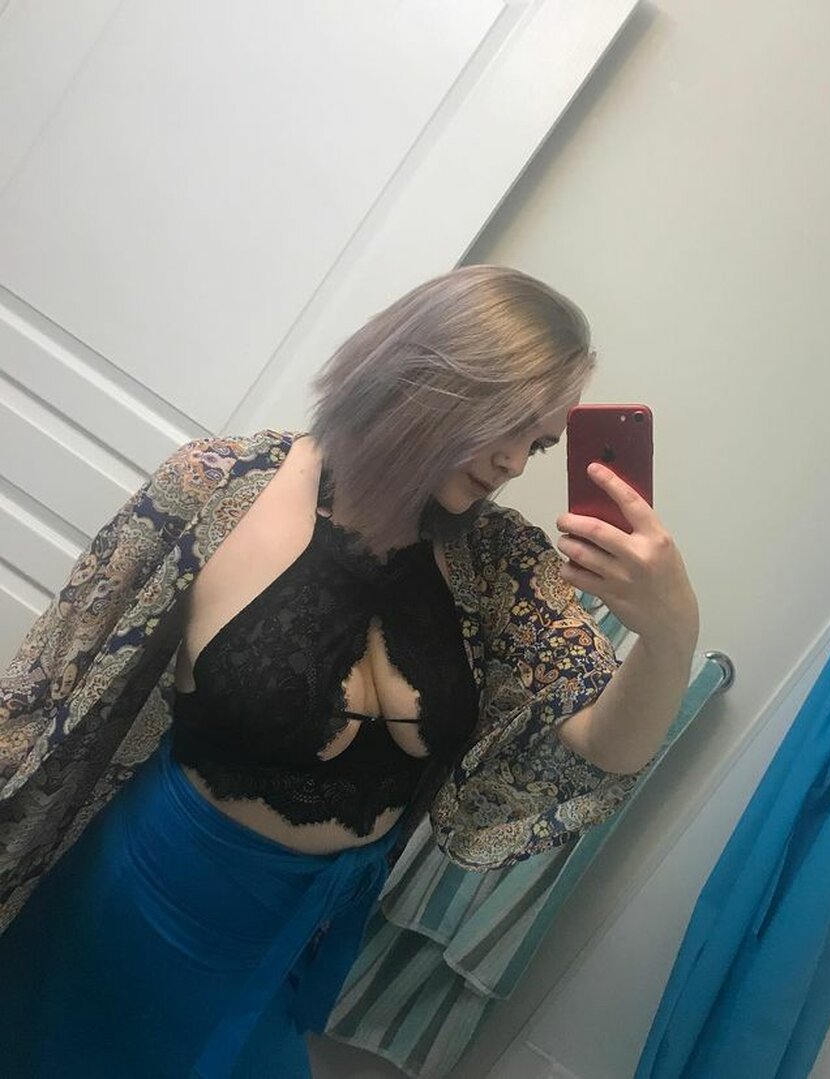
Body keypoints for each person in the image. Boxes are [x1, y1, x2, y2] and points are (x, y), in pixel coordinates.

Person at [0, 265, 699, 1076]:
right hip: (146, 899)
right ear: (426, 372)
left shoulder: (497, 561)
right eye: (509, 421)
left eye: (537, 443)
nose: (515, 460)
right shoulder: (220, 484)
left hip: (300, 938)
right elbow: (49, 683)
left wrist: (670, 633)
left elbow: (603, 744)